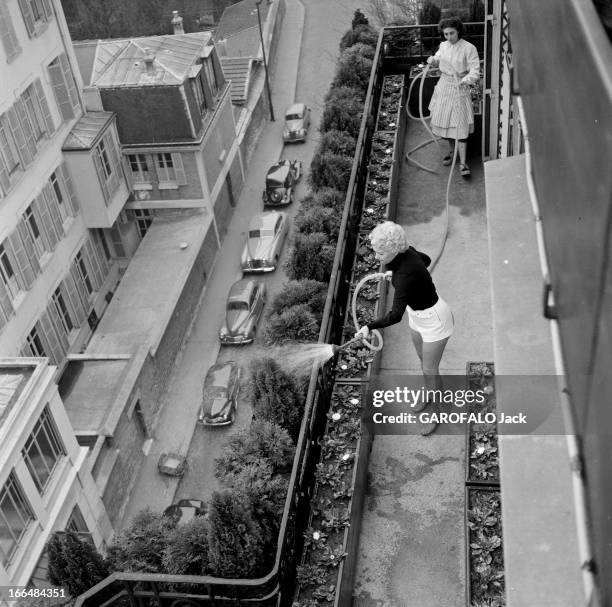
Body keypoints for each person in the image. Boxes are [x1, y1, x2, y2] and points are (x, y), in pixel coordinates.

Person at [354, 222, 454, 435]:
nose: (376, 256)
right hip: (417, 316)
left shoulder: (403, 276)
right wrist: (399, 273)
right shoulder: (405, 254)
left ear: (392, 250)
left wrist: (368, 326)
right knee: (424, 364)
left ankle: (437, 412)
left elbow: (395, 316)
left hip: (435, 320)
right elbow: (425, 260)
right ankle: (429, 393)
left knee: (430, 369)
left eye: (380, 252)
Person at [426, 16, 480, 178]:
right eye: (446, 34)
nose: (449, 37)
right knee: (446, 122)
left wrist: (465, 81)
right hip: (444, 86)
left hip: (460, 88)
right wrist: (433, 59)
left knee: (459, 124)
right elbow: (438, 57)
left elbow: (475, 70)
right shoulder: (443, 45)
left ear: (458, 32)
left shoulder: (469, 48)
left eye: (452, 33)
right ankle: (452, 151)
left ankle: (463, 163)